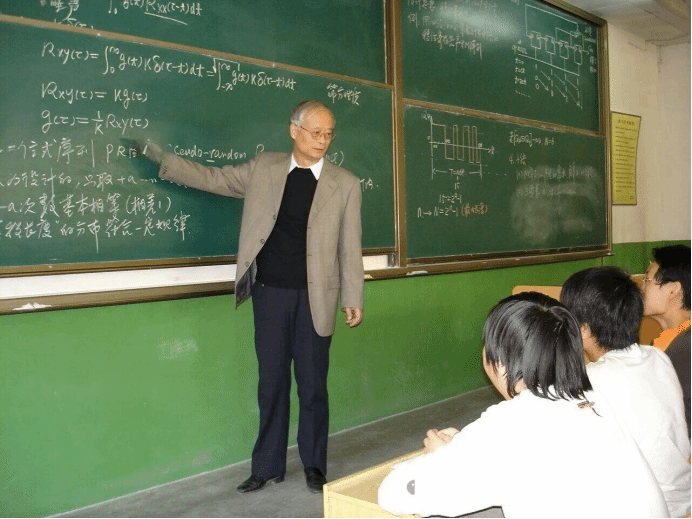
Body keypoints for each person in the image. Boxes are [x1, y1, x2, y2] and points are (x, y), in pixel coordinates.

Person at [136, 100, 364, 495]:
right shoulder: (264, 168)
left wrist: (353, 296)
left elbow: (350, 245)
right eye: (315, 133)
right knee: (271, 383)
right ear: (294, 130)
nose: (323, 140)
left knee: (313, 387)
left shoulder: (345, 183)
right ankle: (267, 467)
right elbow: (215, 179)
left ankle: (314, 465)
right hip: (269, 295)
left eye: (329, 134)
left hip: (317, 298)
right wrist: (162, 159)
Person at [378, 293, 668, 517]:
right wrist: (462, 448)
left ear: (501, 362)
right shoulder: (592, 399)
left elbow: (393, 494)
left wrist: (440, 457)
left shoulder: (510, 423)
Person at [561, 266, 690, 517]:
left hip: (653, 508)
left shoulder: (590, 382)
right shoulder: (656, 356)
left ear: (584, 329)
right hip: (683, 493)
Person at [642, 244, 691, 442]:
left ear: (673, 290)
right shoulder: (672, 341)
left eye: (647, 280)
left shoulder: (681, 352)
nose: (641, 287)